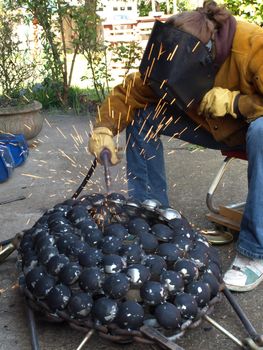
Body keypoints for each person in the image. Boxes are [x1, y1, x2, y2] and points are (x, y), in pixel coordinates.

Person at [88, 1, 263, 292]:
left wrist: (237, 103)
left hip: (250, 126)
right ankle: (152, 220)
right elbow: (133, 91)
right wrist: (105, 128)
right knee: (144, 116)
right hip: (212, 125)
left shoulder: (252, 45)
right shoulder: (171, 55)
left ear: (207, 59)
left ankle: (255, 253)